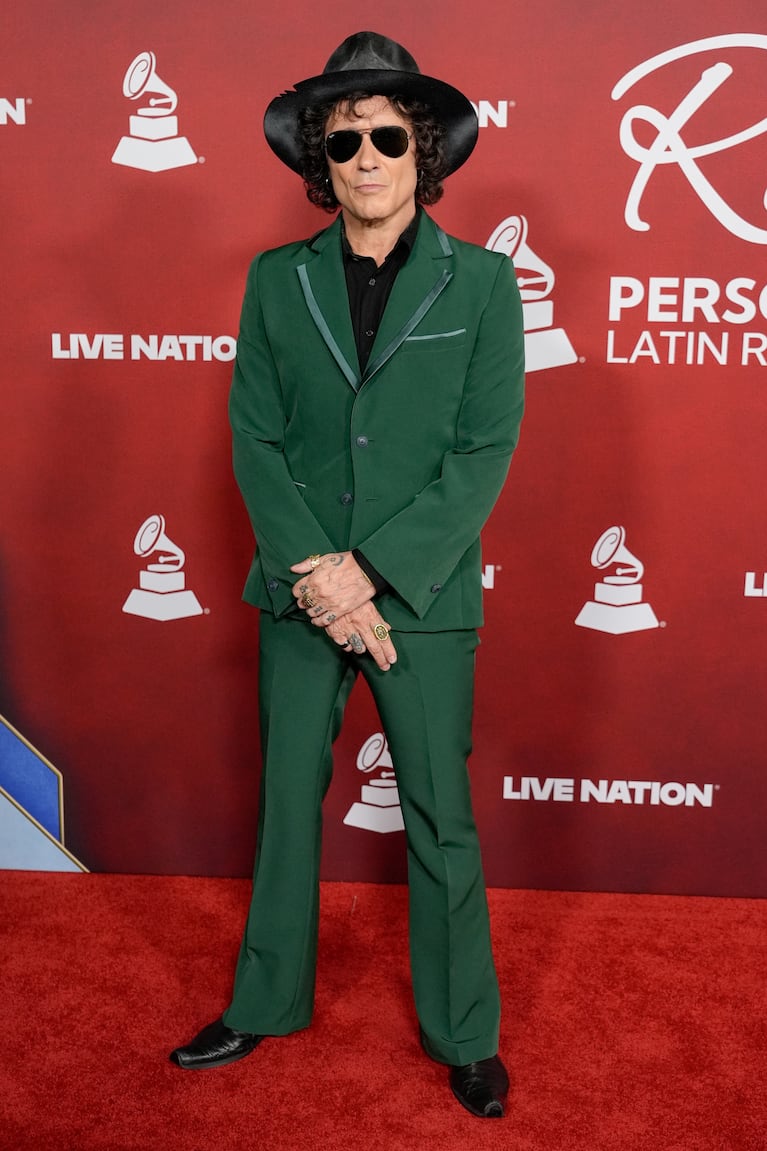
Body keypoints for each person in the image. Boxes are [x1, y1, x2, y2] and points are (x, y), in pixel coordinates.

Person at [170, 31, 525, 1119]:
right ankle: (262, 1004)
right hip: (297, 588)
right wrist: (316, 573)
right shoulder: (274, 282)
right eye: (342, 142)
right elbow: (254, 439)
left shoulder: (488, 281)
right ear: (319, 165)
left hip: (416, 597)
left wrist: (370, 573)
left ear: (420, 152)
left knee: (437, 813)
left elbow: (481, 450)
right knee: (285, 806)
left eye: (383, 137)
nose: (364, 157)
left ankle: (464, 1031)